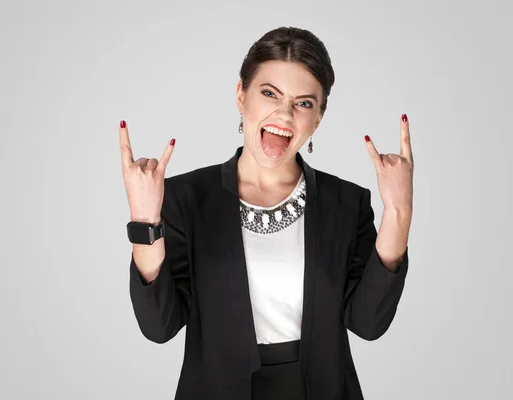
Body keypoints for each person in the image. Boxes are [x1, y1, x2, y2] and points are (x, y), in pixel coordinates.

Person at [119, 26, 413, 400]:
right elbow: (159, 326)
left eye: (304, 103)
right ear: (241, 95)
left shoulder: (347, 202)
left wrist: (399, 213)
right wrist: (145, 222)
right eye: (269, 93)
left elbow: (368, 324)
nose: (284, 114)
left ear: (318, 119)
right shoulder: (185, 198)